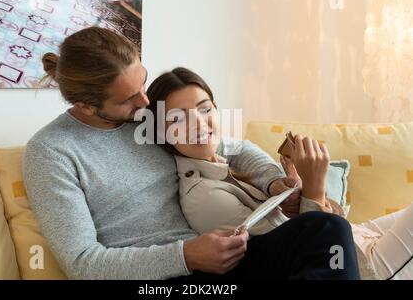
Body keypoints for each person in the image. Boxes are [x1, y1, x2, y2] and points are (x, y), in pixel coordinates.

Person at [23, 26, 360, 280]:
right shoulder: (51, 152)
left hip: (217, 263)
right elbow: (82, 262)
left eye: (142, 83)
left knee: (325, 228)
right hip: (159, 279)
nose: (144, 102)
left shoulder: (146, 121)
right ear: (85, 105)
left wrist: (273, 182)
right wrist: (185, 256)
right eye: (128, 98)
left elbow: (236, 148)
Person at [146, 67, 413, 280]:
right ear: (162, 133)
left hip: (356, 236)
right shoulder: (205, 199)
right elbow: (305, 245)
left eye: (205, 109)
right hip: (355, 263)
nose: (199, 123)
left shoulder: (220, 157)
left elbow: (242, 148)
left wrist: (278, 183)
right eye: (178, 119)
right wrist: (314, 186)